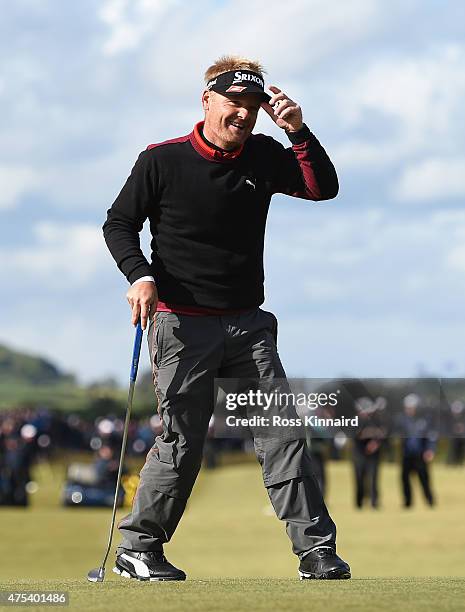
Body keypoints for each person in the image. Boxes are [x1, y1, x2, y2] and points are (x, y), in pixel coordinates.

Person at [103, 55, 350, 581]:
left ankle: (316, 552)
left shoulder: (263, 155)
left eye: (253, 106)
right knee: (183, 440)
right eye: (234, 103)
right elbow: (119, 223)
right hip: (181, 323)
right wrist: (139, 275)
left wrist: (298, 131)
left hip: (247, 323)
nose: (242, 114)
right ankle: (138, 548)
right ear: (208, 100)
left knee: (280, 433)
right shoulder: (161, 161)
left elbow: (321, 186)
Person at [397, 394, 436, 508]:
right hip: (407, 454)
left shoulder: (425, 420)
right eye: (407, 408)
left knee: (424, 479)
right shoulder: (402, 420)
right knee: (404, 479)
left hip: (421, 454)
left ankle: (430, 501)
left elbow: (431, 436)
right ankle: (407, 502)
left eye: (412, 407)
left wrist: (430, 449)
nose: (409, 410)